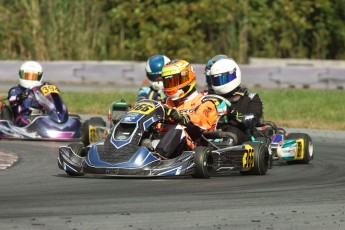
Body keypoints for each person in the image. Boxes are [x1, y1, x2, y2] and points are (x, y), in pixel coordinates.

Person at [155, 59, 219, 159]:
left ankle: (156, 158)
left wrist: (184, 118)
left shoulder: (205, 101)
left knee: (178, 128)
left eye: (173, 81)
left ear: (186, 78)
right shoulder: (162, 103)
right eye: (168, 82)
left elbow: (202, 122)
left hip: (193, 148)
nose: (170, 85)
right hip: (160, 141)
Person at [208, 58, 263, 145]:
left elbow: (252, 119)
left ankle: (223, 148)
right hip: (213, 133)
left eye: (223, 79)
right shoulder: (211, 99)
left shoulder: (250, 98)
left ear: (234, 74)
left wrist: (232, 112)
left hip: (240, 134)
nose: (220, 83)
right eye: (217, 80)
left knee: (231, 132)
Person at [7, 61, 48, 127]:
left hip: (41, 115)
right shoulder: (15, 90)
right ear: (20, 74)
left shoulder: (41, 90)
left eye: (33, 77)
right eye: (27, 76)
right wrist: (20, 97)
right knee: (25, 119)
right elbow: (12, 99)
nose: (30, 80)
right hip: (23, 116)